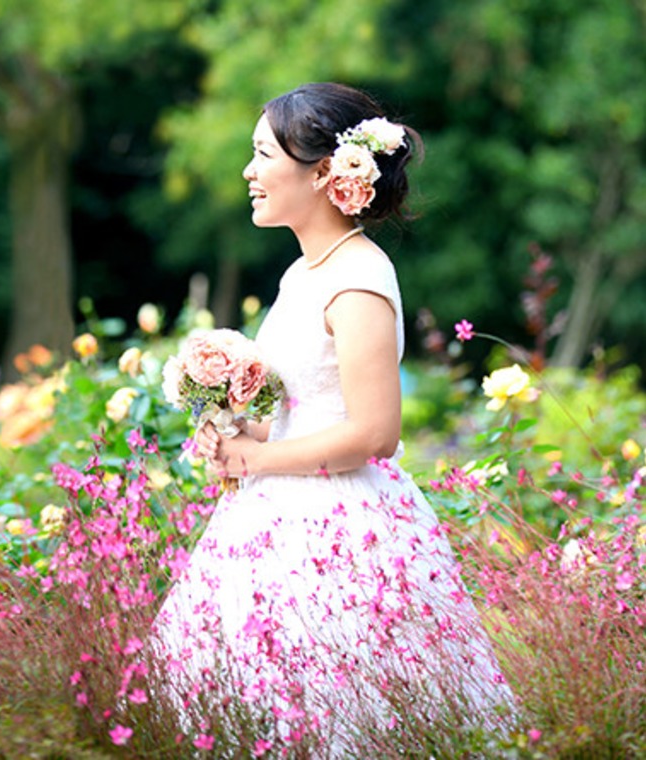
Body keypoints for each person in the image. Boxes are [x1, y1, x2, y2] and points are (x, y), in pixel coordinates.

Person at [152, 83, 515, 755]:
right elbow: (309, 413)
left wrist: (253, 459)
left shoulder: (358, 281)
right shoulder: (305, 273)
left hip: (342, 528)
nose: (248, 172)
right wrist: (240, 430)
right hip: (278, 515)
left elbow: (373, 434)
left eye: (263, 155)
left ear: (324, 172)